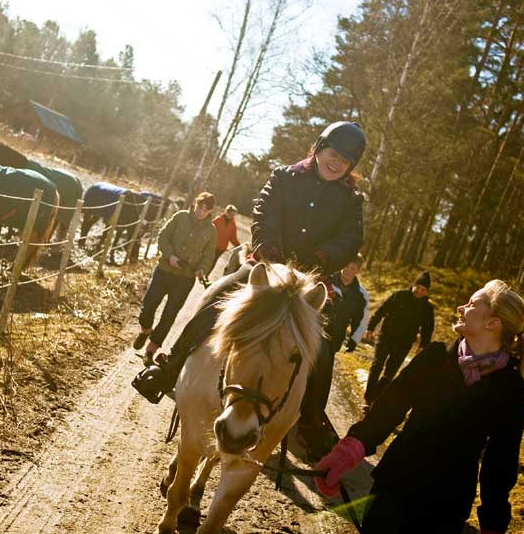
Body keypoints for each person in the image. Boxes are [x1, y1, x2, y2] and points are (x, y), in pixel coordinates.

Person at [132, 121, 366, 403]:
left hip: (309, 278)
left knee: (325, 345)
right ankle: (170, 367)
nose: (337, 163)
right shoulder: (285, 177)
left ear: (351, 167)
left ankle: (312, 420)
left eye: (345, 160)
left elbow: (351, 239)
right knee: (215, 298)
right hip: (266, 266)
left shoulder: (351, 200)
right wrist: (270, 249)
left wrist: (319, 259)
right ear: (320, 148)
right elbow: (264, 211)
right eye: (334, 154)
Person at [313, 279, 524, 534]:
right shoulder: (435, 356)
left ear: (492, 323)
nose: (460, 307)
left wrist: (493, 528)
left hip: (446, 509)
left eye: (471, 304)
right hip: (393, 488)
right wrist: (348, 451)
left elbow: (500, 463)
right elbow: (388, 408)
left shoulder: (510, 389)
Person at [297, 253, 372, 460]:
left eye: (353, 269)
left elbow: (362, 319)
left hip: (333, 342)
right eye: (347, 267)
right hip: (314, 335)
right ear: (342, 266)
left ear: (358, 271)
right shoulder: (327, 281)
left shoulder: (359, 295)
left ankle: (309, 415)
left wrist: (355, 339)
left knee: (321, 376)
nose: (349, 271)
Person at [132, 192, 217, 364]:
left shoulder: (211, 231)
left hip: (185, 279)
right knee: (148, 305)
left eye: (206, 210)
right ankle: (146, 330)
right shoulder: (180, 217)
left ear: (210, 211)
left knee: (170, 314)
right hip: (164, 270)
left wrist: (202, 269)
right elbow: (163, 236)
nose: (201, 211)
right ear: (195, 204)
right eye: (200, 207)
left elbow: (209, 257)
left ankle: (151, 350)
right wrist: (169, 255)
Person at [362, 270, 435, 406]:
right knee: (377, 366)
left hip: (404, 344)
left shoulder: (427, 308)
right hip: (385, 337)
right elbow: (381, 310)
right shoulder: (399, 296)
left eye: (423, 289)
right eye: (418, 287)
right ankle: (368, 397)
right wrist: (370, 328)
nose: (419, 291)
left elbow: (427, 329)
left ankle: (375, 398)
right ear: (413, 285)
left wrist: (423, 346)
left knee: (390, 373)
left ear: (426, 292)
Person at [211, 204, 240, 271]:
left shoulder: (233, 224)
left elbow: (233, 237)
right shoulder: (218, 220)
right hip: (212, 245)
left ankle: (205, 276)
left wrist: (238, 245)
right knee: (208, 260)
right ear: (226, 212)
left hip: (221, 248)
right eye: (230, 214)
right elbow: (210, 230)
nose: (231, 216)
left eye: (233, 215)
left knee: (213, 262)